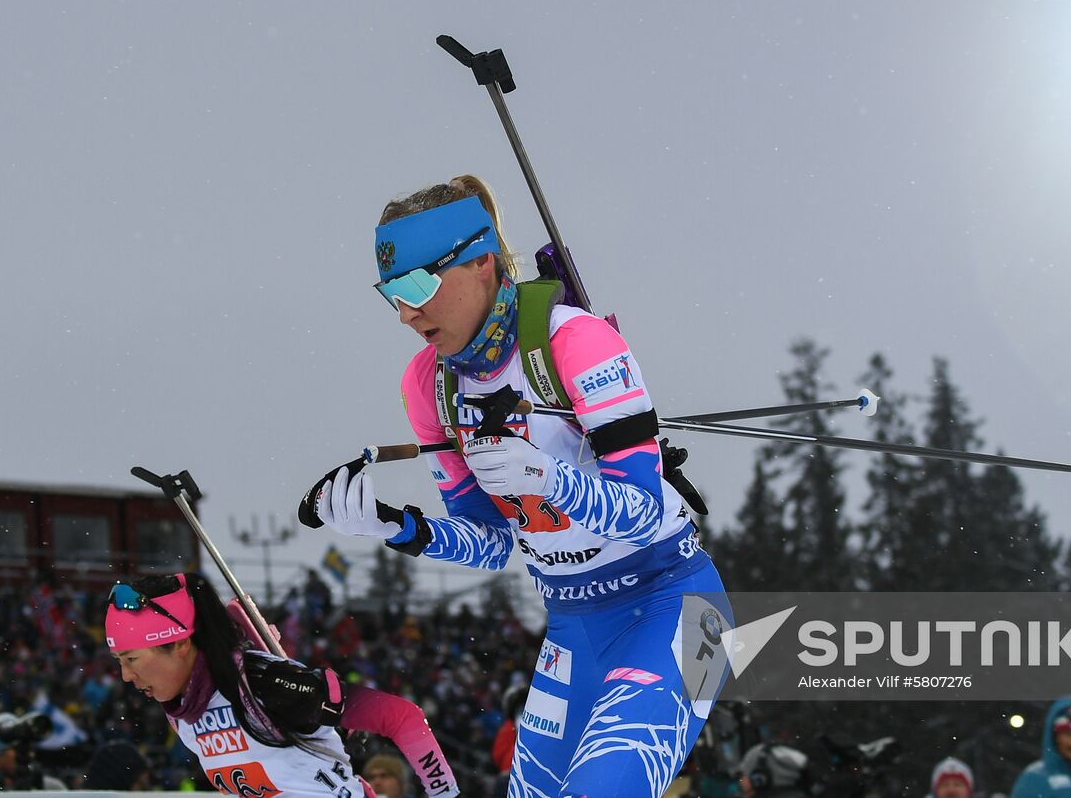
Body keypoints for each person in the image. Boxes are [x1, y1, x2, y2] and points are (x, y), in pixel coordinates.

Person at [308, 176, 732, 798]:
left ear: (481, 263)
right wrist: (397, 525)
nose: (406, 312)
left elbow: (643, 510)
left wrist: (550, 479)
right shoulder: (429, 384)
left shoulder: (575, 342)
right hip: (572, 623)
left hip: (681, 608)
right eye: (391, 293)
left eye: (419, 285)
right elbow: (491, 543)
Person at [102, 572, 458, 797]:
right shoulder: (182, 710)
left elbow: (402, 717)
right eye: (120, 662)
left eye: (132, 660)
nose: (126, 677)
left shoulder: (260, 683)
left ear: (180, 644)